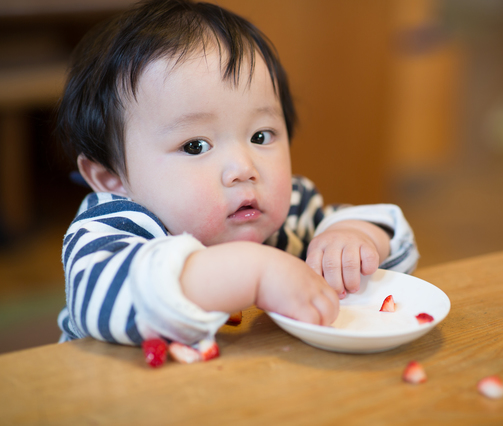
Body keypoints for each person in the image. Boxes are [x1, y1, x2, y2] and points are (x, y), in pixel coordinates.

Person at [55, 0, 419, 347]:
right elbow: (101, 299)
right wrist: (252, 273)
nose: (244, 169)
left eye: (261, 136)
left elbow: (393, 239)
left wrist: (352, 237)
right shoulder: (114, 226)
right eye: (196, 146)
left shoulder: (291, 209)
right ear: (111, 178)